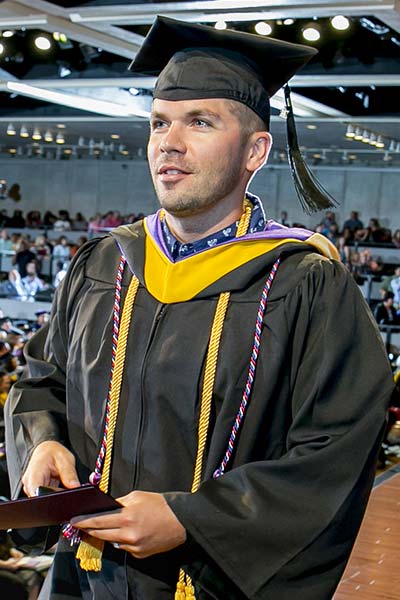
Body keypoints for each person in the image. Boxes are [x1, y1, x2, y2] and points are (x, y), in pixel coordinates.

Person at [5, 17, 393, 600]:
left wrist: (194, 518)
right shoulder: (103, 265)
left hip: (209, 583)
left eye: (200, 122)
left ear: (255, 151)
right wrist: (42, 442)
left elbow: (334, 451)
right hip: (82, 575)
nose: (169, 141)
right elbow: (42, 381)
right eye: (159, 122)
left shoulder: (306, 285)